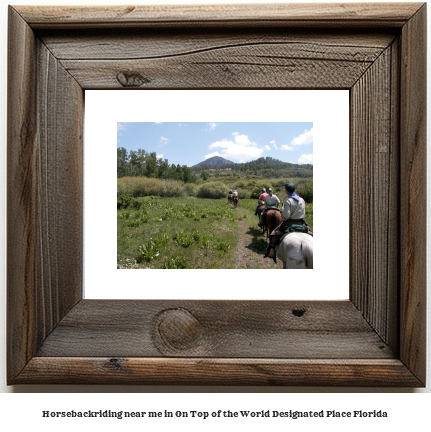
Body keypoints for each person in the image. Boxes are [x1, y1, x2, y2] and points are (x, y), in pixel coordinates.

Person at [264, 182, 309, 260]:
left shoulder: (288, 200)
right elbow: (303, 212)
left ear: (286, 191)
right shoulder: (302, 200)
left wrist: (283, 218)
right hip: (301, 223)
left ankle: (271, 251)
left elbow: (286, 216)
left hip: (289, 223)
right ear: (294, 190)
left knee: (273, 234)